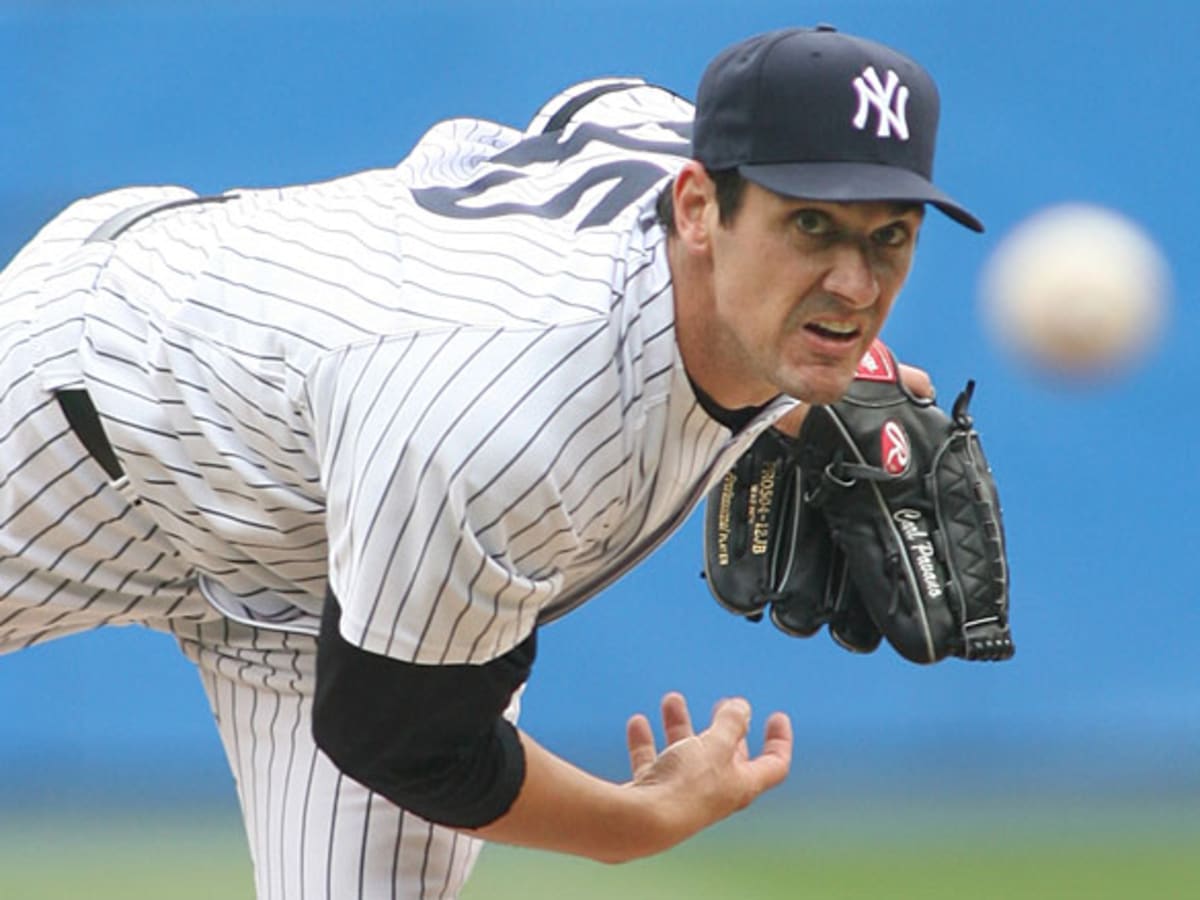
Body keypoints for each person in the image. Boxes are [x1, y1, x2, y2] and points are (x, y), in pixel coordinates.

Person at [0, 23, 982, 899]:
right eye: (811, 225)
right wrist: (633, 822)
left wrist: (820, 388)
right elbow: (401, 735)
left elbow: (593, 104)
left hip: (341, 545)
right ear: (696, 207)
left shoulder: (691, 175)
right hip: (96, 397)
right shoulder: (506, 416)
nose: (854, 283)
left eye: (888, 237)